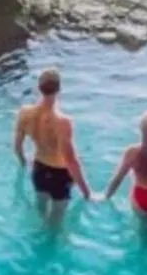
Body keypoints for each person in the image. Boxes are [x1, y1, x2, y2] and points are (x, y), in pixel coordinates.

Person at [13, 68, 92, 211]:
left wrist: (23, 163)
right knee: (55, 223)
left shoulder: (25, 112)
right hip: (59, 174)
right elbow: (71, 161)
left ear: (39, 88)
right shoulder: (63, 122)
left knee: (40, 211)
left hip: (38, 169)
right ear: (59, 89)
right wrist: (87, 193)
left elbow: (17, 146)